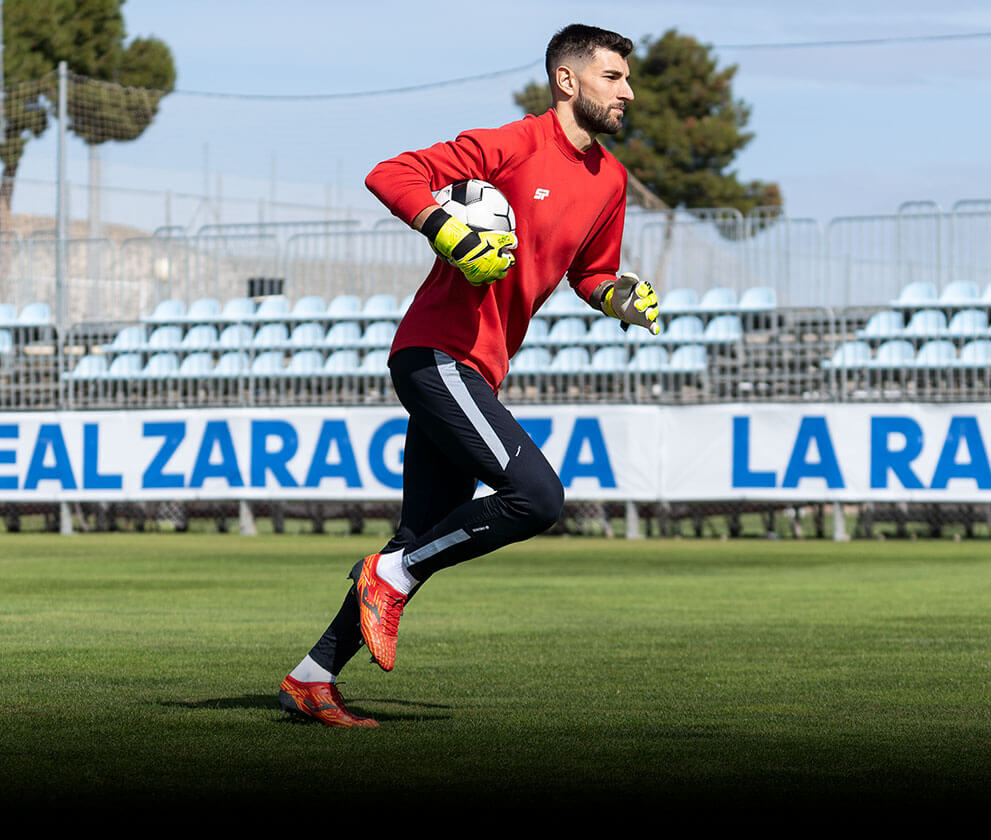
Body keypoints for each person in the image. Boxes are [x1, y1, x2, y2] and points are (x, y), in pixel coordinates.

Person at [278, 23, 660, 727]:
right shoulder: (511, 143)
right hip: (435, 353)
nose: (626, 91)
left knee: (420, 536)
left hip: (478, 368)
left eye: (626, 79)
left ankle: (312, 678)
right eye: (612, 77)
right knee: (536, 496)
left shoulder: (609, 180)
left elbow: (592, 271)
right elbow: (389, 174)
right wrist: (443, 227)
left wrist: (617, 296)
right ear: (567, 81)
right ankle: (387, 579)